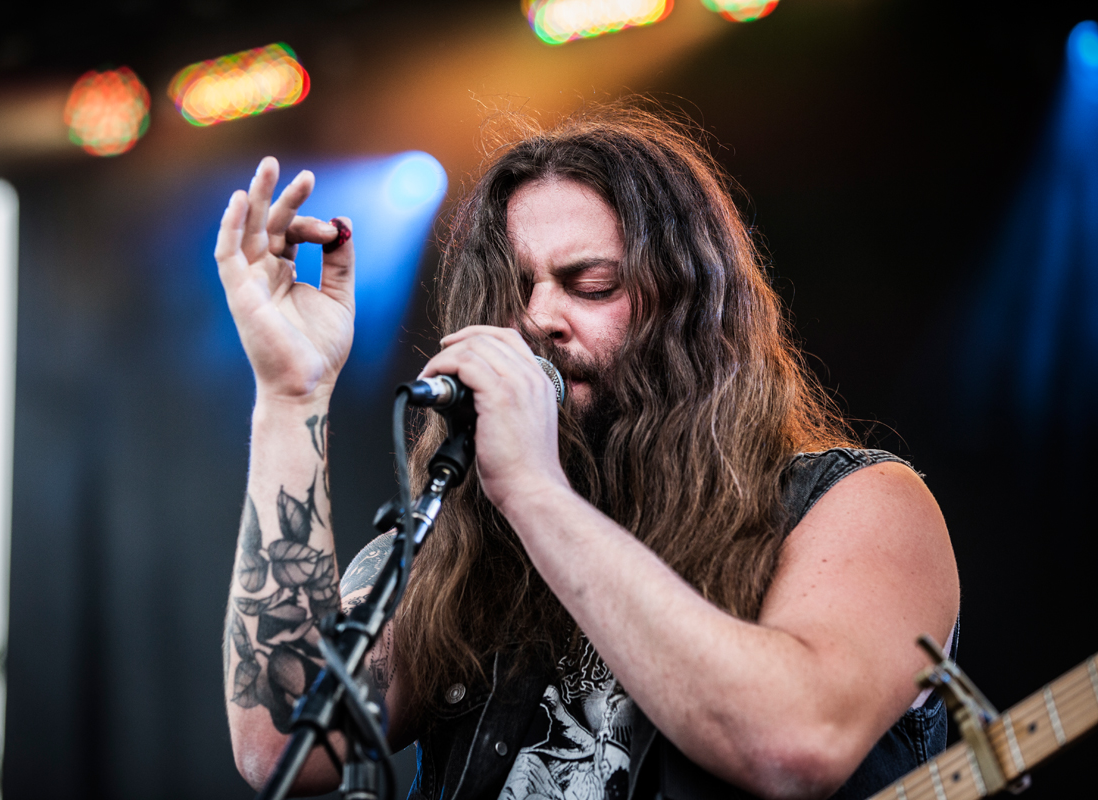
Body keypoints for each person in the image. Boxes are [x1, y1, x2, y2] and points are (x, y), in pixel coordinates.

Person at [217, 105, 959, 800]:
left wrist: (537, 491)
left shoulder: (859, 506)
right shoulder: (459, 542)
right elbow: (282, 741)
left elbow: (797, 740)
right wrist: (291, 394)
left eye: (590, 283)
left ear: (691, 308)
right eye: (518, 288)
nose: (540, 318)